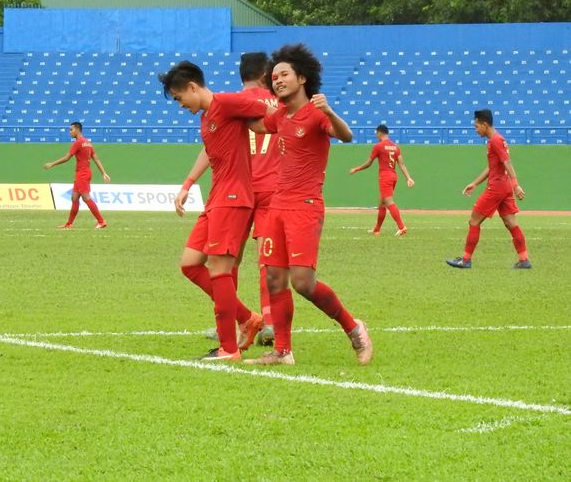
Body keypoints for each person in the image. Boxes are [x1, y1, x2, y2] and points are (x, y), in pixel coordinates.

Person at [244, 43, 373, 366]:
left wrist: (329, 111)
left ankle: (353, 327)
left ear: (302, 78)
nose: (277, 80)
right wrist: (224, 110)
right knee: (274, 278)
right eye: (273, 76)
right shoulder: (281, 116)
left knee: (303, 282)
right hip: (277, 206)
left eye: (284, 74)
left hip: (305, 206)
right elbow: (258, 125)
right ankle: (283, 351)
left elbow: (346, 136)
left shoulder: (316, 115)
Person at [159, 60, 273, 361]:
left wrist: (290, 122)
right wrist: (187, 184)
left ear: (193, 87)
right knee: (190, 263)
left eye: (179, 97)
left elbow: (267, 110)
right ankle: (247, 318)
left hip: (234, 197)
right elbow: (210, 151)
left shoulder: (226, 102)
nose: (179, 104)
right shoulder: (208, 116)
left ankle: (228, 349)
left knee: (220, 270)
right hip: (216, 197)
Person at [446, 109, 531, 269]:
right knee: (511, 222)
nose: (475, 129)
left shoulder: (495, 141)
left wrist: (516, 184)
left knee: (474, 220)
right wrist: (475, 183)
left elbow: (507, 163)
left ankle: (465, 260)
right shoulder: (497, 139)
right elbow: (493, 167)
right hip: (503, 186)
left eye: (476, 126)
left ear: (485, 124)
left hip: (497, 187)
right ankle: (524, 260)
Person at [349, 124, 414, 236]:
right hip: (393, 176)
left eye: (376, 133)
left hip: (385, 177)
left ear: (380, 133)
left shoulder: (378, 146)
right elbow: (401, 164)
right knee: (382, 203)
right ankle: (377, 230)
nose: (376, 136)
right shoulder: (395, 147)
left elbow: (369, 163)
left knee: (388, 202)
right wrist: (408, 178)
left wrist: (356, 169)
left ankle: (402, 227)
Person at [43, 121, 110, 229]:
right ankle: (69, 223)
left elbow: (67, 158)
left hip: (82, 174)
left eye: (71, 129)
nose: (70, 132)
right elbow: (96, 158)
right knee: (74, 198)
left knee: (86, 198)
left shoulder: (78, 143)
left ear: (78, 130)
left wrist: (52, 164)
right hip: (85, 172)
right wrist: (103, 173)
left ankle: (101, 221)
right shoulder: (88, 142)